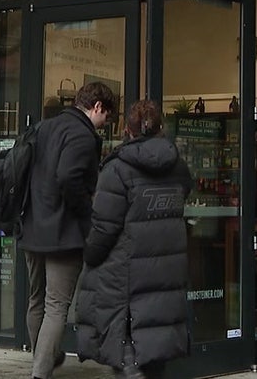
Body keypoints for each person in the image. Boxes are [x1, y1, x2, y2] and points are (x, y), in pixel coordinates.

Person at [76, 100, 192, 379]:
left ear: (127, 130)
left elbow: (104, 227)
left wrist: (89, 255)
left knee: (128, 349)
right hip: (166, 269)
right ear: (161, 128)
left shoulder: (116, 170)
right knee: (155, 350)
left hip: (124, 274)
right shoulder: (178, 167)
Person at [19, 81, 118, 379]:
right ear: (97, 107)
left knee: (36, 299)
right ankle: (40, 371)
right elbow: (69, 178)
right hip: (63, 232)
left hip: (32, 226)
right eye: (107, 118)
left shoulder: (44, 128)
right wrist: (87, 214)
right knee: (56, 305)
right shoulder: (83, 136)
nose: (105, 125)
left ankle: (44, 356)